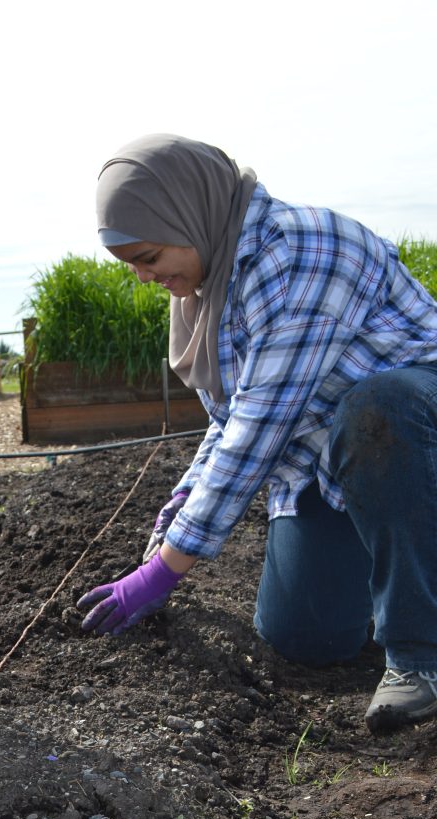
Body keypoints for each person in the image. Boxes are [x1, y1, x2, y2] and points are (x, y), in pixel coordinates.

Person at [79, 133, 437, 735]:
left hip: (413, 433)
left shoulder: (301, 254)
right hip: (328, 462)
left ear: (187, 214)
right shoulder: (210, 286)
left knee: (377, 409)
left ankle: (421, 658)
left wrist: (162, 573)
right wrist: (179, 509)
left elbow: (257, 429)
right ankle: (405, 584)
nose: (144, 277)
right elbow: (227, 422)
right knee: (306, 637)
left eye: (147, 257)